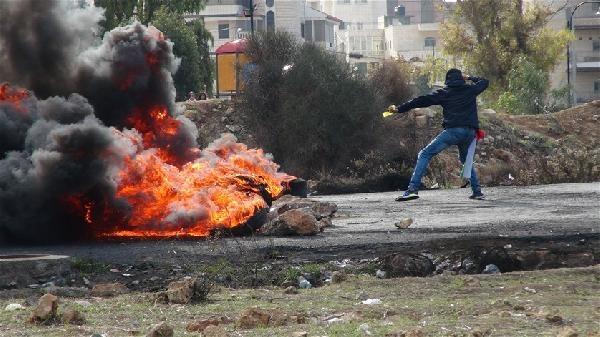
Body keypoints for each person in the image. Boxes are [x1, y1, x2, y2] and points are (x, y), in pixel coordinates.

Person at [388, 68, 489, 201]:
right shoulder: (470, 90)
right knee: (466, 160)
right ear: (461, 79)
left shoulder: (444, 93)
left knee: (425, 154)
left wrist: (399, 109)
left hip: (453, 131)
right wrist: (469, 77)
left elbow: (421, 100)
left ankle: (412, 189)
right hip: (471, 133)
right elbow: (485, 81)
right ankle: (477, 192)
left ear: (447, 80)